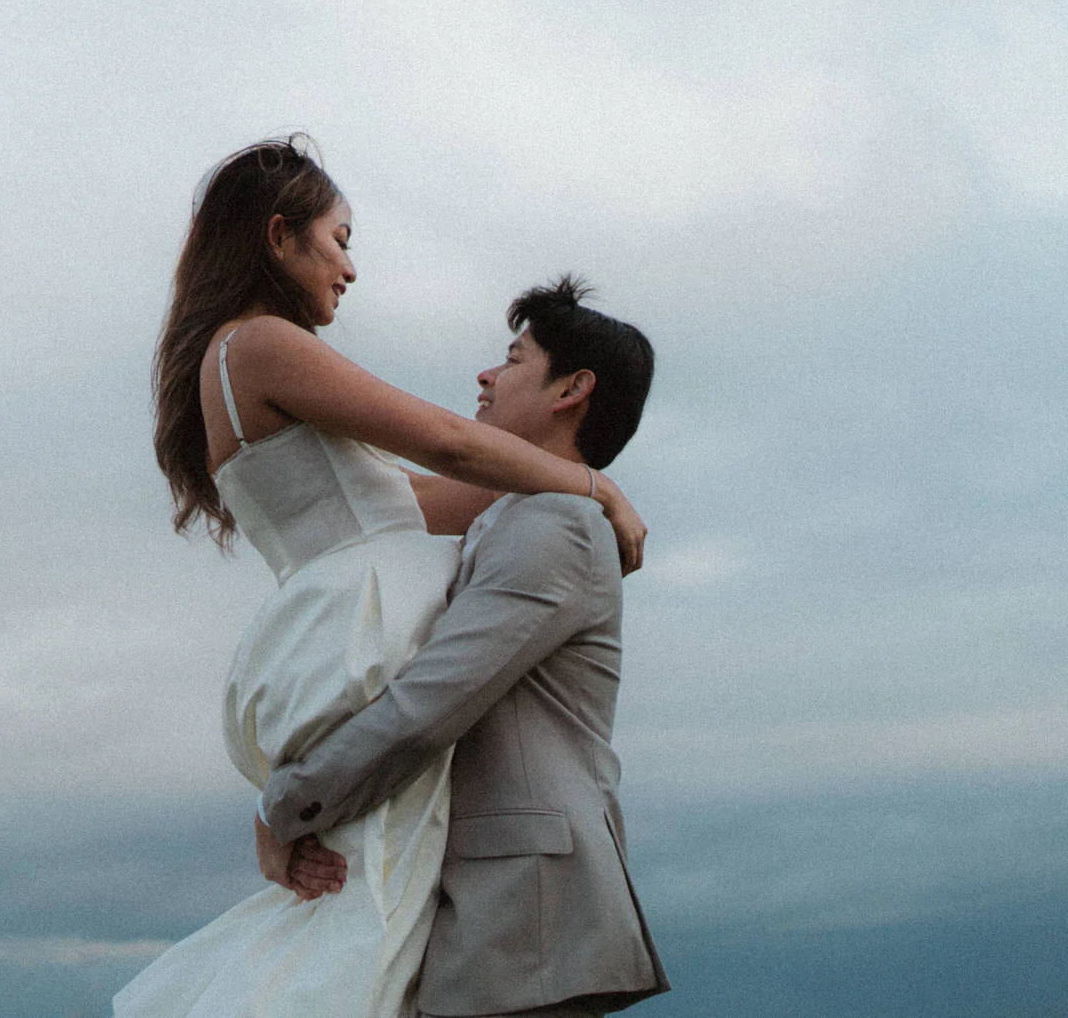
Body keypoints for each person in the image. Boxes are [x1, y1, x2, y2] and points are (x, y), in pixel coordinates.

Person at [115, 138, 647, 1018]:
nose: (350, 268)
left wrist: (571, 477)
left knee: (365, 904)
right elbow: (449, 441)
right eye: (340, 238)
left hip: (336, 620)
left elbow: (438, 492)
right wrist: (599, 485)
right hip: (356, 622)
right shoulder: (261, 342)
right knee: (361, 906)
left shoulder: (240, 356)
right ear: (281, 237)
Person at [255, 277, 670, 1018]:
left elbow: (428, 706)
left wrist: (285, 805)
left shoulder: (557, 527)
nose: (486, 375)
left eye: (513, 360)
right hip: (501, 912)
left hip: (528, 916)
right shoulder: (514, 515)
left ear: (572, 389)